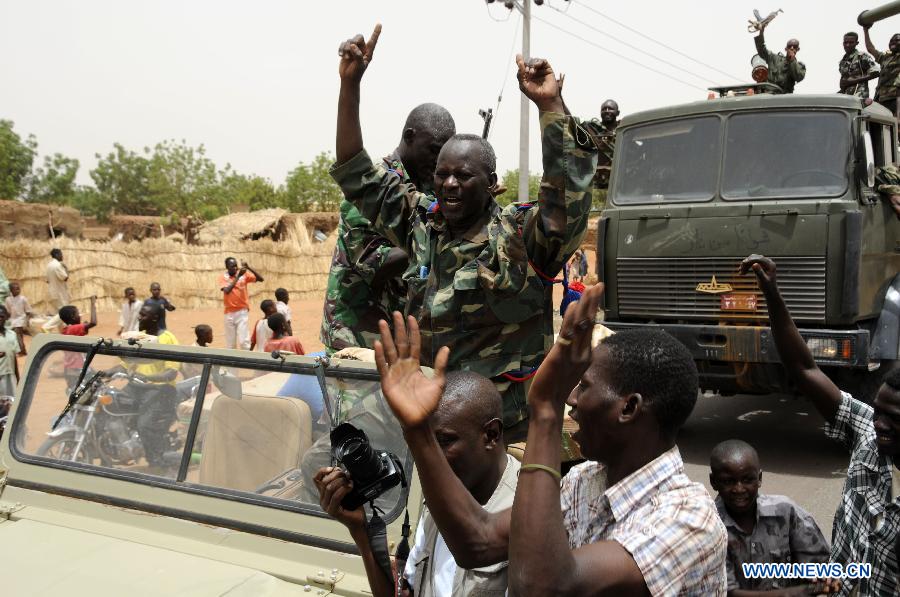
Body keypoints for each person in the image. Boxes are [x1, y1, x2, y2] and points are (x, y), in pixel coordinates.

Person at [370, 284, 728, 596]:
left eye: (583, 386)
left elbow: (543, 588)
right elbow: (476, 542)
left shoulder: (689, 519)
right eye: (570, 389)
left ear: (628, 408)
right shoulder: (584, 482)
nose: (572, 399)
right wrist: (417, 430)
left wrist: (546, 408)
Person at [332, 25, 596, 439]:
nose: (450, 184)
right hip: (431, 419)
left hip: (502, 432)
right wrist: (351, 84)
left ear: (492, 183)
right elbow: (356, 172)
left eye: (464, 176)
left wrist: (551, 107)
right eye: (442, 175)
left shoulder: (520, 236)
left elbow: (567, 199)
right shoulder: (422, 223)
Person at [741, 254, 900, 595]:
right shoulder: (868, 437)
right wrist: (772, 294)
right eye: (878, 412)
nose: (880, 424)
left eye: (894, 419)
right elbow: (804, 368)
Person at [315, 370, 519, 596]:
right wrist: (360, 531)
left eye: (443, 441)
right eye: (423, 442)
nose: (428, 456)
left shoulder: (529, 514)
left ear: (491, 434)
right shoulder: (437, 498)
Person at [321, 100, 456, 354]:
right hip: (356, 340)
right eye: (434, 150)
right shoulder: (370, 191)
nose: (439, 160)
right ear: (409, 137)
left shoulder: (429, 190)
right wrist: (437, 235)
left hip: (400, 340)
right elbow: (374, 264)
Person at [709, 439, 832, 595]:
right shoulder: (710, 526)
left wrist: (819, 578)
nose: (739, 489)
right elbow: (730, 593)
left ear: (759, 478)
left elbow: (818, 564)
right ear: (714, 481)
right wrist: (798, 592)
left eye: (748, 480)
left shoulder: (786, 512)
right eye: (728, 481)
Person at [109, 303, 180, 473]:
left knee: (145, 425)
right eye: (140, 315)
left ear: (155, 318)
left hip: (160, 390)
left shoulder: (168, 339)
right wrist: (103, 372)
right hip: (136, 387)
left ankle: (157, 461)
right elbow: (124, 365)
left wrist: (148, 378)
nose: (139, 317)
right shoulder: (138, 338)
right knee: (110, 405)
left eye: (143, 315)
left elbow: (171, 373)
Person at [218, 257, 263, 350]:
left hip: (242, 312)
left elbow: (260, 279)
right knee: (230, 343)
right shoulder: (223, 277)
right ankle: (232, 363)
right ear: (226, 267)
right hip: (229, 313)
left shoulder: (244, 275)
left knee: (244, 341)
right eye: (232, 266)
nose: (235, 268)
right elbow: (227, 291)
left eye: (235, 266)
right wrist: (238, 276)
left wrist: (249, 267)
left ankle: (247, 361)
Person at [754, 21, 805, 94]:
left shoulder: (799, 66)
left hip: (783, 99)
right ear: (785, 49)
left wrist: (792, 60)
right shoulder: (774, 59)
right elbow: (762, 50)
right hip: (768, 95)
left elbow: (799, 77)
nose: (792, 48)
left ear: (798, 49)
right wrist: (761, 31)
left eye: (795, 47)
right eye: (789, 46)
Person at [59, 296, 97, 391]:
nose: (80, 315)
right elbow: (93, 322)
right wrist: (93, 303)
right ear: (73, 316)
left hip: (70, 369)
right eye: (78, 314)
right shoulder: (73, 329)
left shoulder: (66, 330)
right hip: (77, 369)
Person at [583, 99, 620, 194]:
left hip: (618, 180)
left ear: (617, 112)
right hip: (597, 182)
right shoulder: (591, 128)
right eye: (604, 109)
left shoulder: (624, 128)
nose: (607, 111)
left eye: (610, 109)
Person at [863, 27, 900, 117]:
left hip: (895, 97)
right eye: (891, 41)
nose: (893, 42)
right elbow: (870, 49)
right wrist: (866, 30)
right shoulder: (886, 58)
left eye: (897, 40)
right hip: (880, 97)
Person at [839, 31, 878, 99]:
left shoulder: (862, 56)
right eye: (846, 43)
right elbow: (845, 82)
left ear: (856, 43)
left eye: (851, 42)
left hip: (859, 96)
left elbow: (876, 73)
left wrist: (853, 81)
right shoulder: (842, 62)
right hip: (846, 97)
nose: (848, 45)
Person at [5, 282, 33, 356]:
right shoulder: (8, 299)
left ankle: (22, 350)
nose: (18, 290)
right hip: (12, 320)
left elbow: (28, 311)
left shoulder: (23, 299)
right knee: (12, 336)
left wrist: (27, 321)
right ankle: (17, 350)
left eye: (18, 289)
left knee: (18, 335)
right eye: (16, 289)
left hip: (21, 320)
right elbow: (7, 311)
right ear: (11, 290)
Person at [0, 305, 19, 397]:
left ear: (6, 317)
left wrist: (17, 377)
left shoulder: (12, 334)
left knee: (11, 402)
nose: (0, 319)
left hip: (10, 374)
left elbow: (14, 356)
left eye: (2, 316)